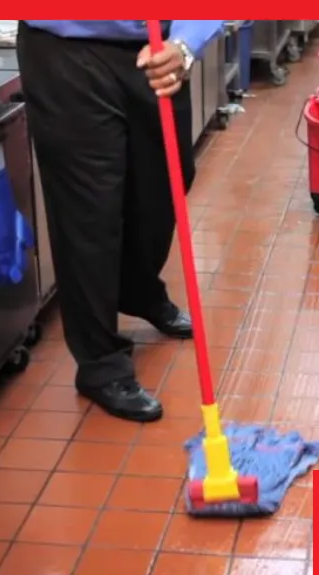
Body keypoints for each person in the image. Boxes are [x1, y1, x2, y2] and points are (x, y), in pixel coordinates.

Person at [17, 20, 225, 423]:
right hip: (67, 51)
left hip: (157, 48)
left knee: (165, 183)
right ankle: (100, 363)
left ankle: (137, 289)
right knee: (88, 213)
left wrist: (185, 44)